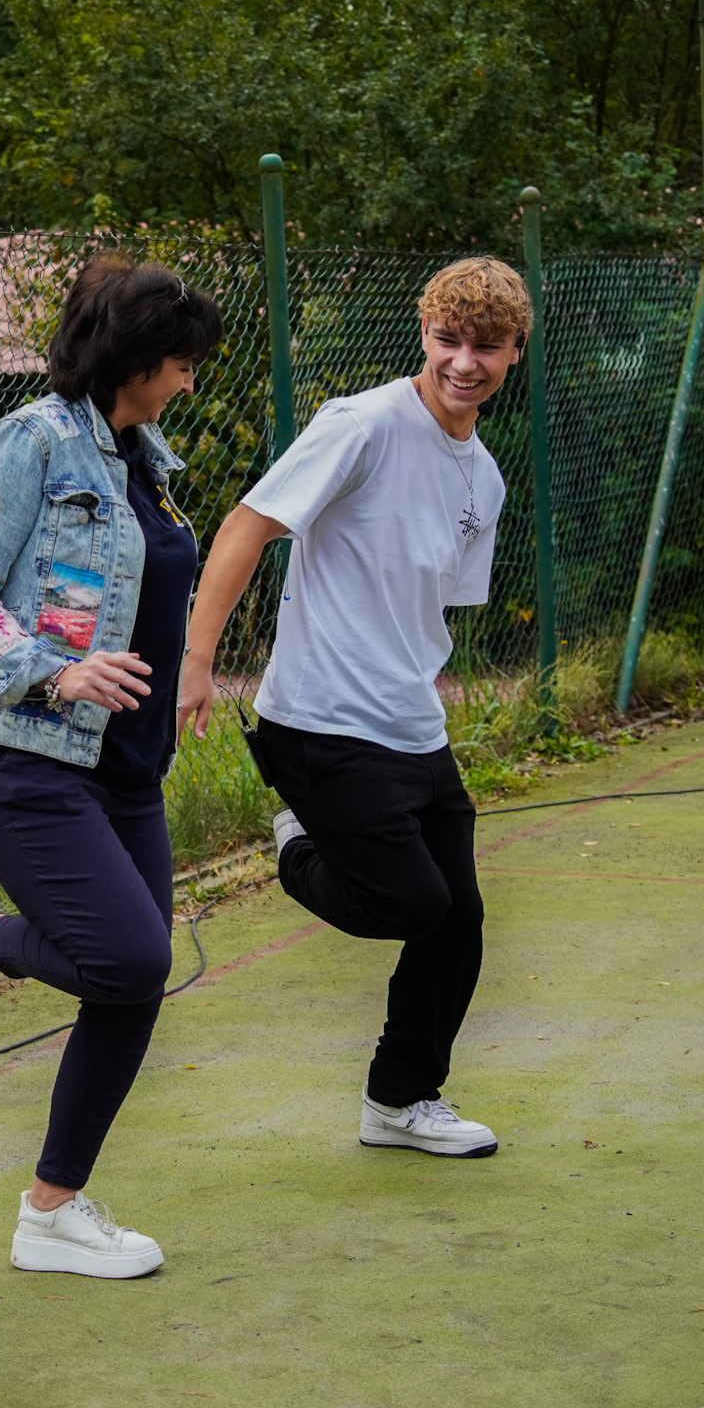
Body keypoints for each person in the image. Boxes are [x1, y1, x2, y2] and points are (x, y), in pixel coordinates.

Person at [177, 256, 532, 1159]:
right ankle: (298, 843)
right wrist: (196, 658)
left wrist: (422, 697)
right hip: (319, 719)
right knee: (408, 902)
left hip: (412, 727)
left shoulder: (483, 476)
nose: (463, 363)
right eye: (448, 340)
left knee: (458, 921)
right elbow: (248, 524)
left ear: (513, 354)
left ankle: (399, 1101)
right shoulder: (362, 424)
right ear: (425, 334)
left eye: (486, 347)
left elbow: (426, 605)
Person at [0, 251, 222, 1279]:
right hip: (20, 748)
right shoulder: (33, 442)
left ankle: (50, 1211)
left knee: (135, 983)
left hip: (123, 759)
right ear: (135, 359)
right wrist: (54, 669)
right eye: (181, 362)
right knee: (130, 959)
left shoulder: (145, 458)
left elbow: (144, 591)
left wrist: (183, 671)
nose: (189, 380)